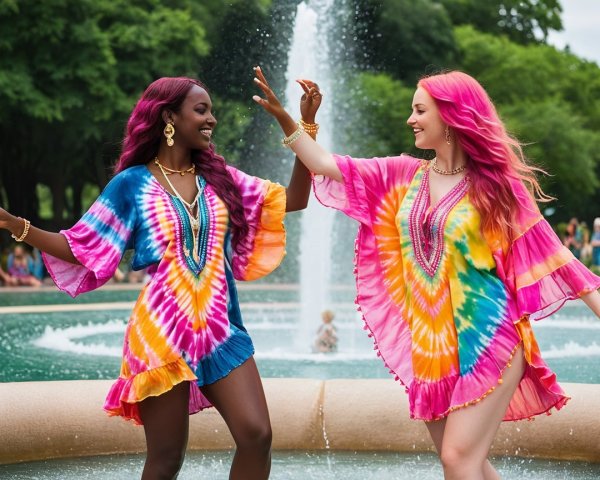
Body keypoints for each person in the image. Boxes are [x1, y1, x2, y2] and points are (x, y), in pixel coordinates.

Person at [252, 66, 600, 480]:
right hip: (431, 349)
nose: (410, 119)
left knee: (458, 460)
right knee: (468, 463)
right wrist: (290, 120)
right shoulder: (402, 174)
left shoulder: (496, 188)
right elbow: (325, 164)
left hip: (488, 339)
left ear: (450, 117)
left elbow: (560, 259)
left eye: (419, 110)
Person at [0, 74, 322, 480]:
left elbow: (294, 199)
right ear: (169, 117)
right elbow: (79, 244)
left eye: (212, 111)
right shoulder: (131, 184)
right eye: (201, 110)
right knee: (167, 458)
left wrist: (299, 125)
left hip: (220, 330)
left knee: (257, 435)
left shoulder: (219, 179)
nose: (212, 120)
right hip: (161, 333)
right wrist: (18, 227)